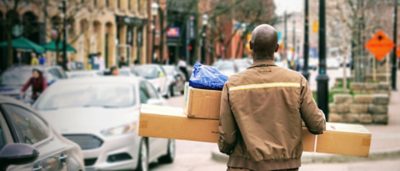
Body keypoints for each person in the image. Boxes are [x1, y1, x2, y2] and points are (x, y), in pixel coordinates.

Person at [218, 24, 326, 171]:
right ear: (276, 48)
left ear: (251, 46)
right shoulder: (297, 81)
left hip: (243, 165)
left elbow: (228, 137)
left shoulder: (232, 84)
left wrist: (226, 149)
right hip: (285, 167)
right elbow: (317, 125)